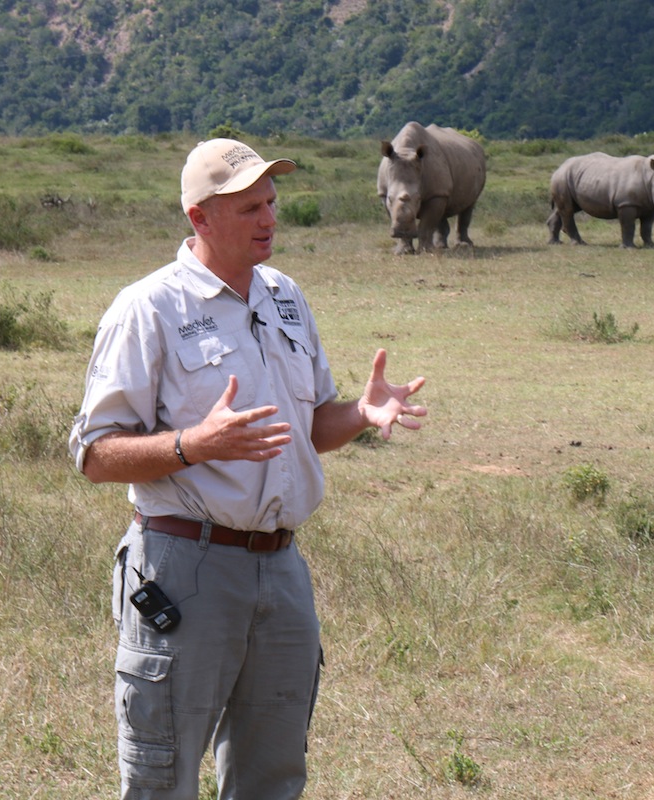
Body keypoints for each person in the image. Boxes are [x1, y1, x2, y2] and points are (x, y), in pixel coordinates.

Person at [67, 137, 427, 800]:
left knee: (274, 775)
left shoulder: (284, 295)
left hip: (282, 571)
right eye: (247, 208)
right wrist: (192, 446)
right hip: (186, 568)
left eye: (270, 201)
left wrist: (360, 413)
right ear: (199, 218)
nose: (268, 219)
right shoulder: (150, 307)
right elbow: (93, 453)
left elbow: (312, 426)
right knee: (161, 776)